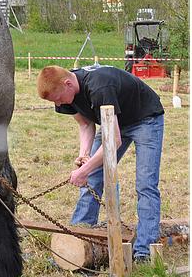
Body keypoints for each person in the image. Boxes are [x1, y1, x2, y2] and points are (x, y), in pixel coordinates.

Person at [36, 64, 165, 262]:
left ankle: (144, 251)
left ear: (68, 83)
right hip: (113, 123)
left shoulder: (99, 87)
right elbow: (85, 123)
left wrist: (84, 171)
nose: (59, 103)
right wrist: (84, 155)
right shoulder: (64, 91)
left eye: (59, 98)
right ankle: (79, 236)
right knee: (93, 175)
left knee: (145, 184)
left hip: (145, 118)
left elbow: (113, 140)